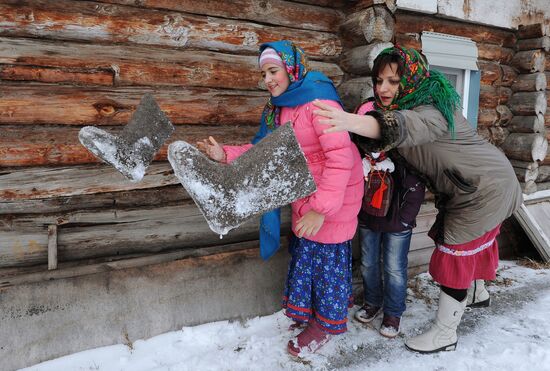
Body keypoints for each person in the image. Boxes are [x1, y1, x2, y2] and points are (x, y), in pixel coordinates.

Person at [312, 45, 522, 353]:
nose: (383, 89)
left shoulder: (431, 109)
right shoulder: (412, 103)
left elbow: (405, 125)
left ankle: (444, 333)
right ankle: (476, 293)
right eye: (379, 80)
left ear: (410, 79)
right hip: (478, 184)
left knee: (454, 252)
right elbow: (386, 138)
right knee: (470, 243)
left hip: (482, 189)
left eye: (393, 82)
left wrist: (349, 121)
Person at [197, 40, 363, 357]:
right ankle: (313, 313)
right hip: (306, 197)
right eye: (264, 74)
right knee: (307, 258)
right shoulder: (282, 109)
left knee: (325, 265)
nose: (269, 79)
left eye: (273, 70)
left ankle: (327, 323)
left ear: (291, 68)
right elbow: (265, 153)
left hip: (333, 200)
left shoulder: (319, 103)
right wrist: (224, 155)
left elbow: (341, 159)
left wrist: (321, 210)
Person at [353, 100, 425, 339]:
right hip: (367, 218)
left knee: (394, 267)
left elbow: (415, 187)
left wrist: (405, 219)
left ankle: (393, 311)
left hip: (397, 222)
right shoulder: (359, 154)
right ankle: (373, 301)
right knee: (369, 263)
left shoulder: (402, 154)